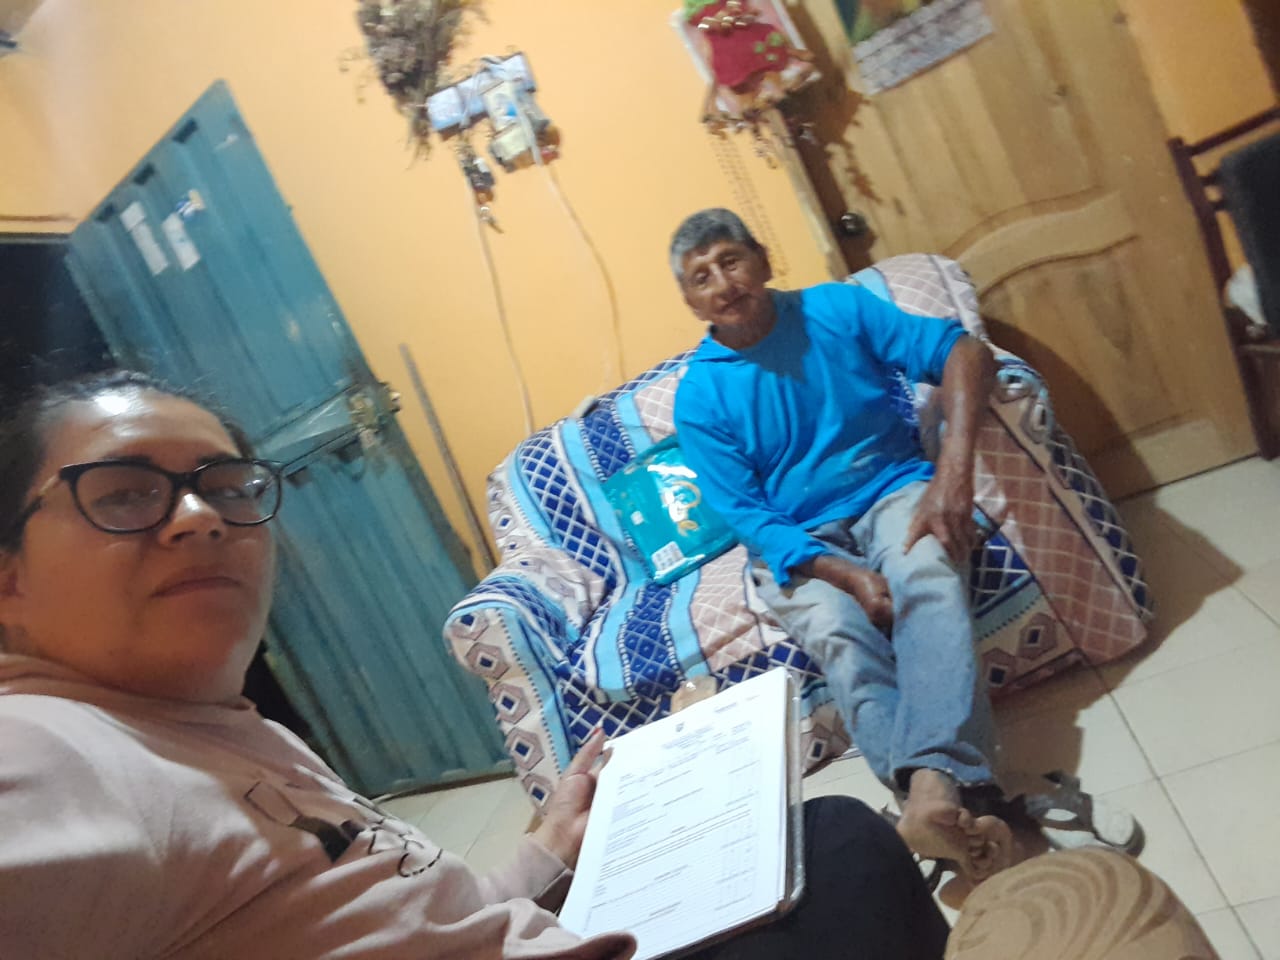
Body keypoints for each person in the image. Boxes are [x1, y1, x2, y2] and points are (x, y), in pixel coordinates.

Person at [0, 369, 950, 959]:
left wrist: (547, 848)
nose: (201, 517)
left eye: (225, 486)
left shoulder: (217, 731)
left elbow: (407, 914)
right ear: (8, 579)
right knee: (847, 852)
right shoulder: (49, 750)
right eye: (124, 493)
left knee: (826, 836)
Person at [670, 209, 1012, 884]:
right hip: (799, 539)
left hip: (891, 490)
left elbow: (964, 352)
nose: (723, 283)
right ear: (691, 302)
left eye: (730, 260)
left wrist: (953, 475)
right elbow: (749, 517)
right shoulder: (700, 396)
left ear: (763, 260)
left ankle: (928, 795)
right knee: (839, 633)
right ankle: (942, 799)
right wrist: (847, 576)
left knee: (927, 577)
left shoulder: (837, 309)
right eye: (701, 277)